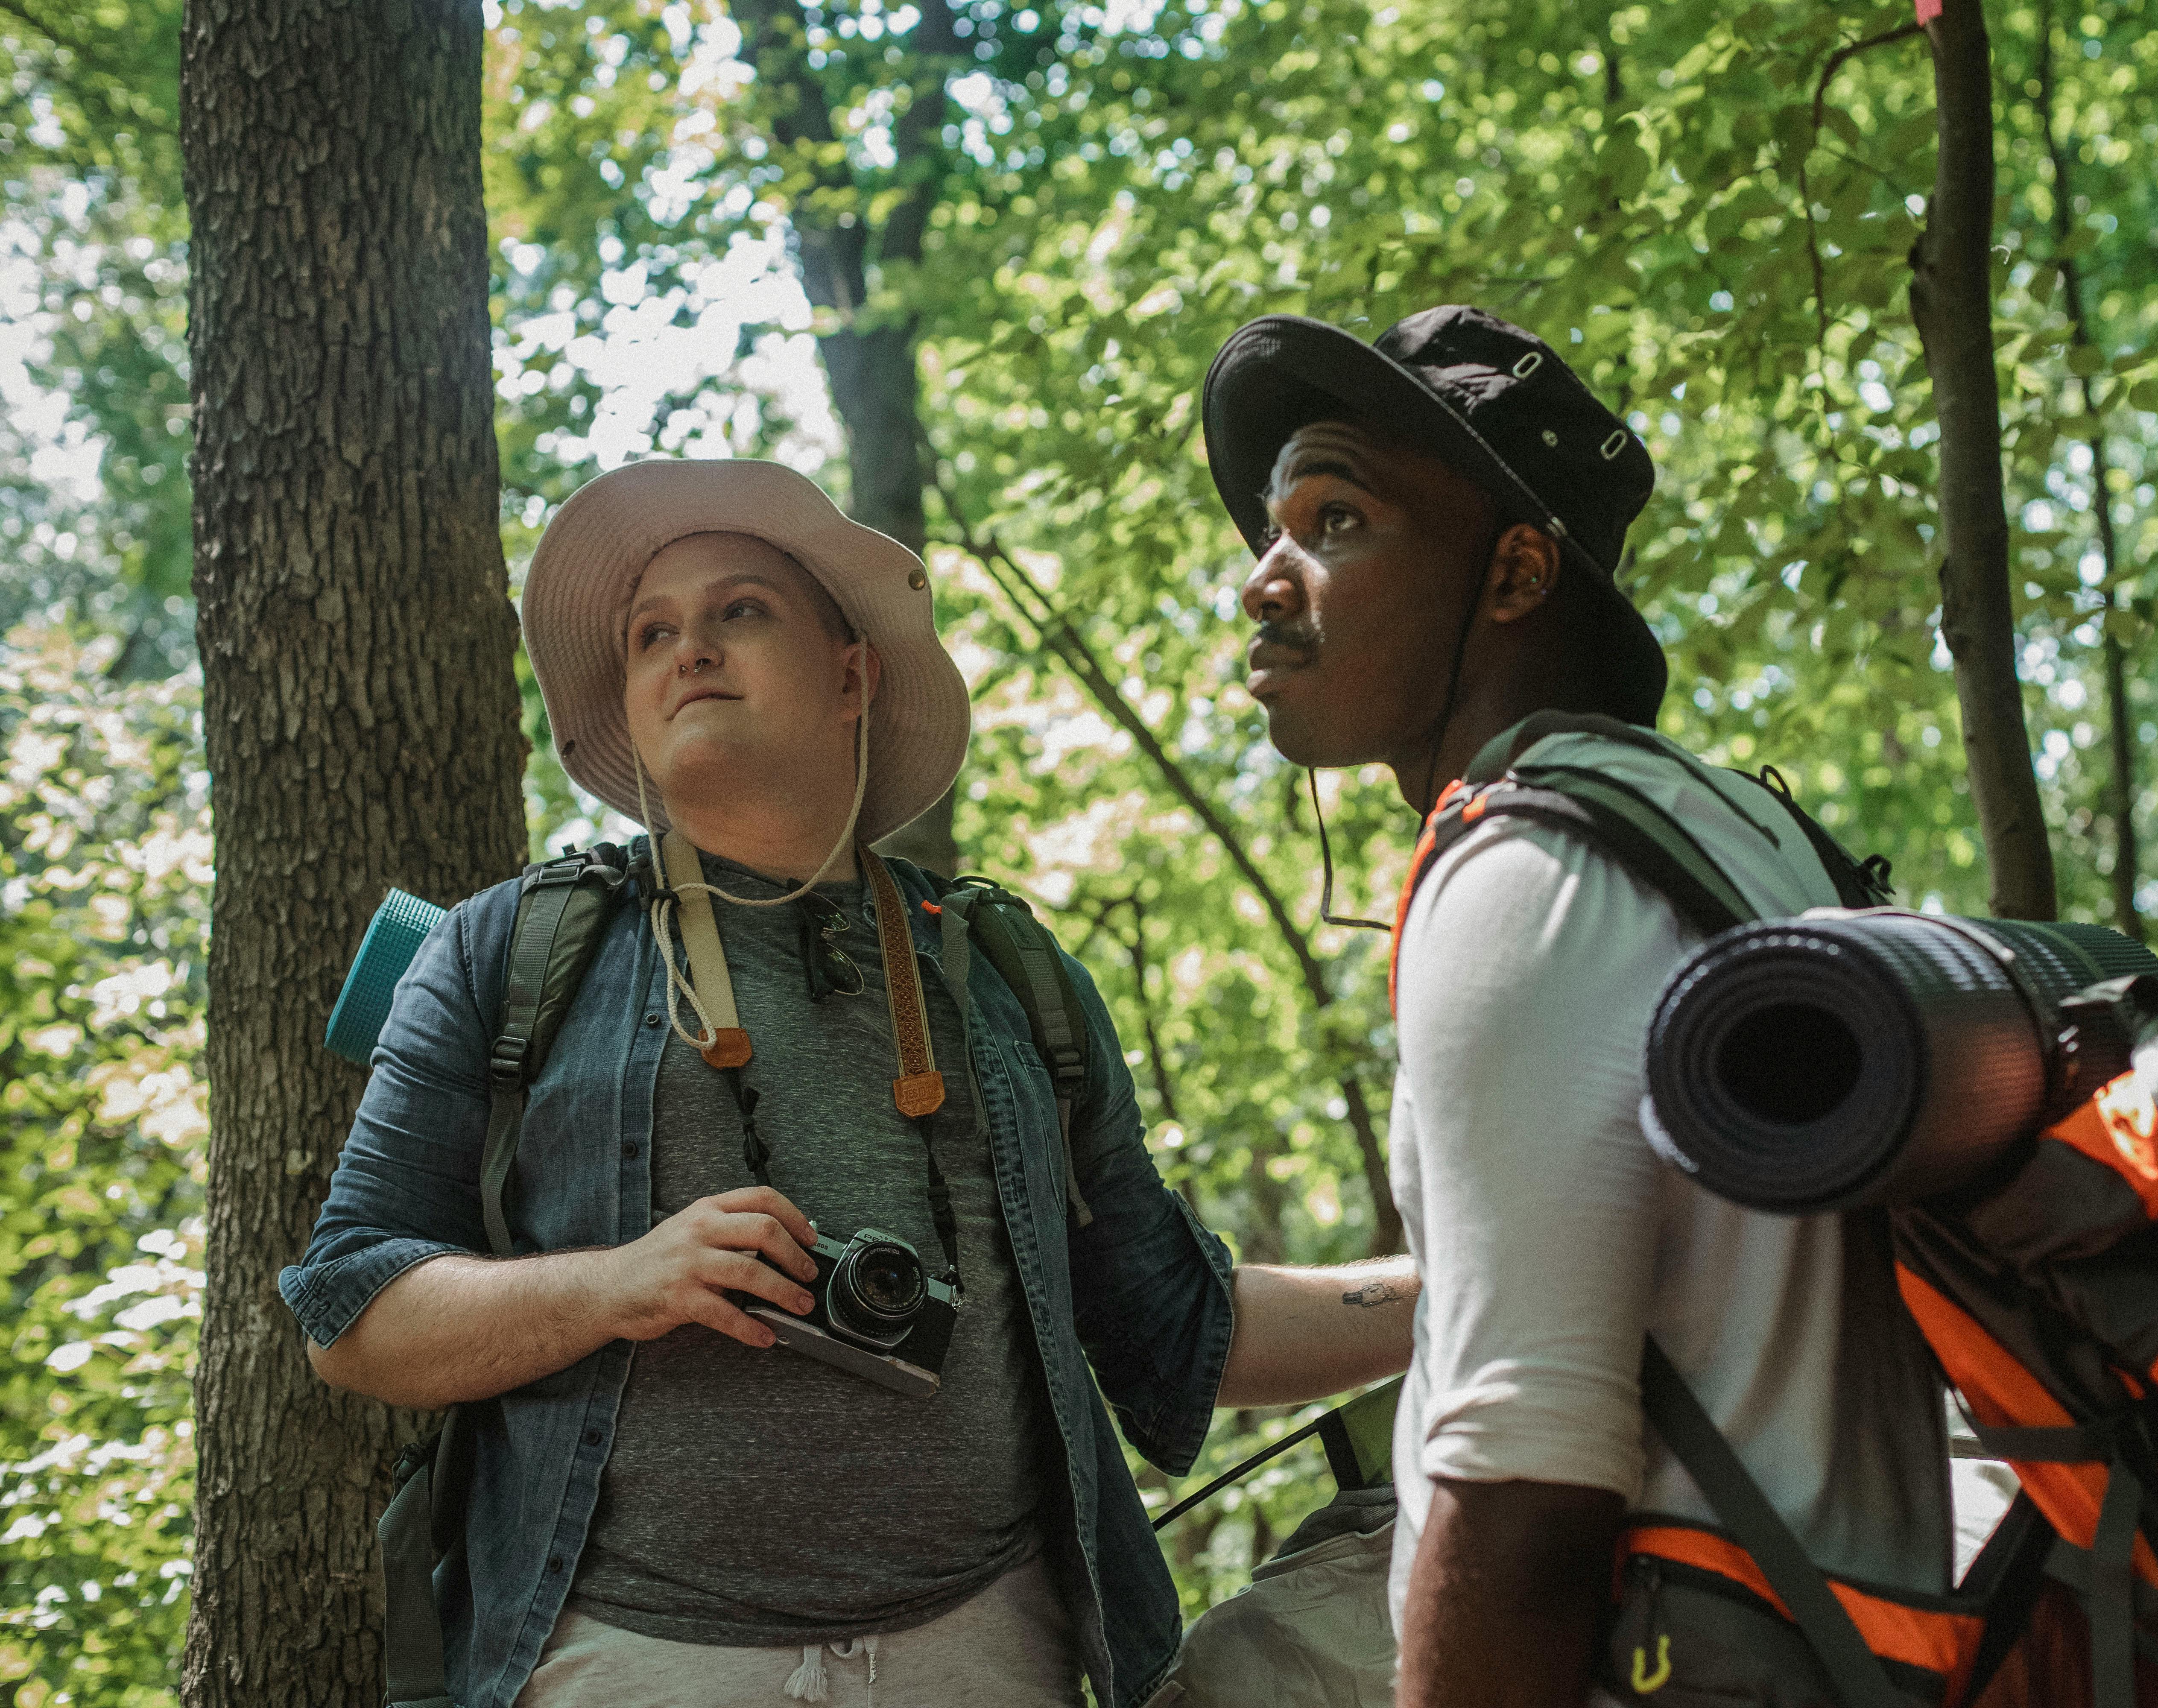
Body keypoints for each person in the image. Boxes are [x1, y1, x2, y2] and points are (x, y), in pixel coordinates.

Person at [285, 458, 1415, 1708]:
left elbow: (1182, 1330)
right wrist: (621, 1283)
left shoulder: (1009, 981)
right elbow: (353, 1315)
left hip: (991, 1652)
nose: (688, 649)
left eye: (741, 611)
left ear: (853, 674)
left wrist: (1479, 1285)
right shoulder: (505, 954)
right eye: (652, 631)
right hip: (628, 1663)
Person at [1199, 307, 1953, 1708]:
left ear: (1517, 573)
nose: (1264, 578)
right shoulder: (1729, 827)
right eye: (1268, 530)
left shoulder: (1522, 872)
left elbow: (1523, 1493)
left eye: (1335, 519)